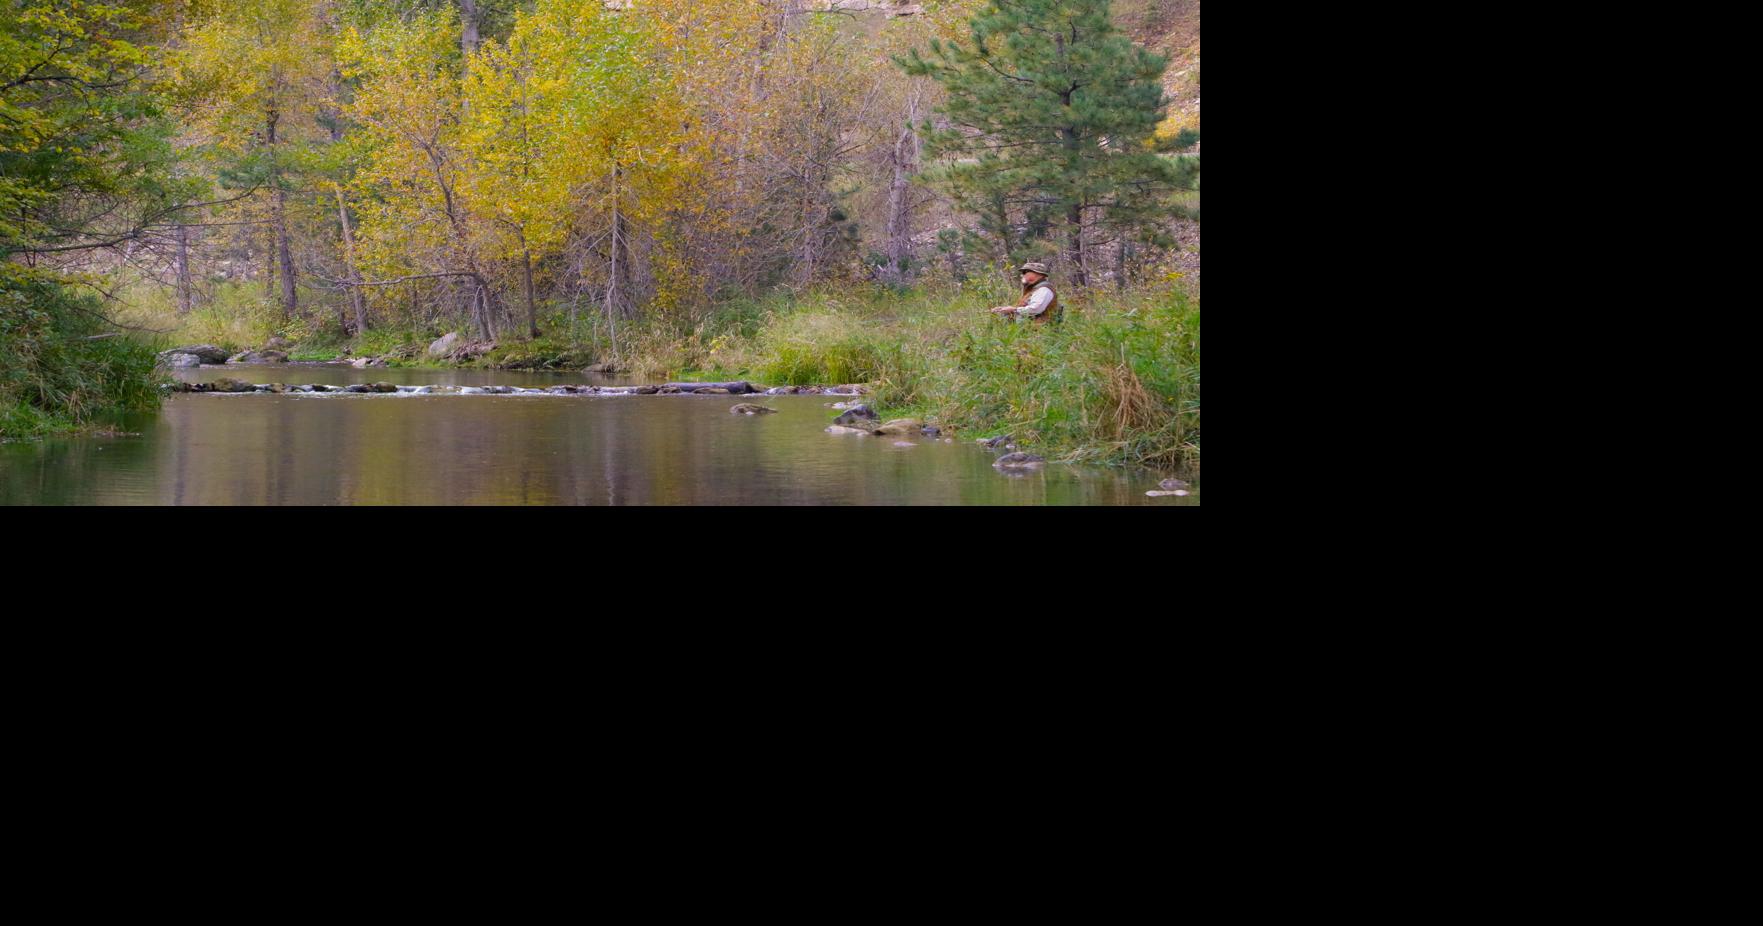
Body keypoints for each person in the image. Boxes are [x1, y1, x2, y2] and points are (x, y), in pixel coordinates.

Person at [989, 262, 1060, 324]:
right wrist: (1003, 309)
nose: (1022, 275)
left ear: (1038, 274)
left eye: (1026, 272)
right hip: (1031, 329)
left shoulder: (1043, 289)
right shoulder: (1034, 289)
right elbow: (1026, 308)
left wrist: (1014, 310)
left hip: (1039, 332)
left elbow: (1036, 309)